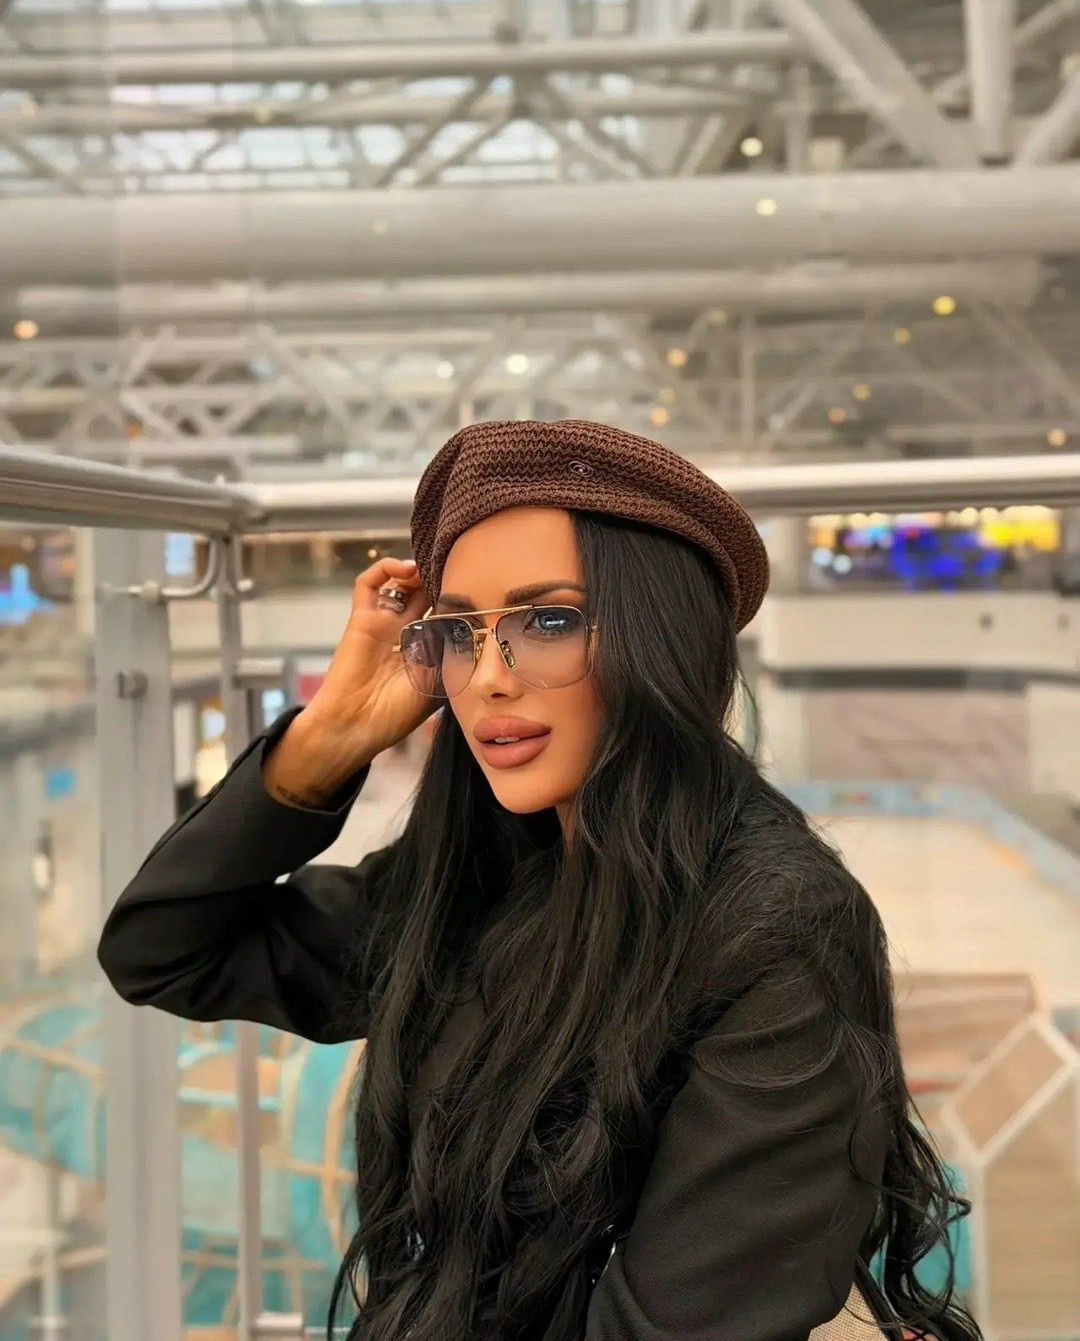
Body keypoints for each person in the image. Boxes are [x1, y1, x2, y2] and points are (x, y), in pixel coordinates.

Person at [98, 420, 979, 1341]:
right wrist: (332, 736)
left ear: (663, 640)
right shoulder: (480, 879)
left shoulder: (777, 933)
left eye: (548, 621)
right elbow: (165, 949)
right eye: (459, 633)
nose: (488, 678)